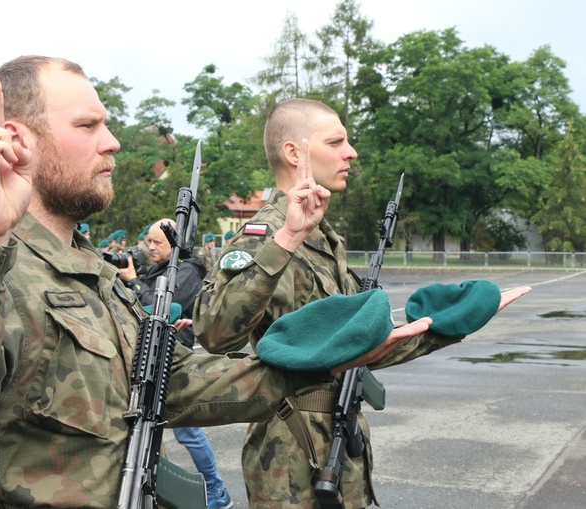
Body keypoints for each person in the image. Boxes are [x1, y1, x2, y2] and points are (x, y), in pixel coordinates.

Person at [0, 56, 433, 508]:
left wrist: (325, 363)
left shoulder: (91, 269)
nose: (111, 141)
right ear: (18, 139)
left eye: (106, 123)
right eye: (88, 125)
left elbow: (171, 383)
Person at [192, 98, 531, 508]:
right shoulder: (264, 237)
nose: (350, 152)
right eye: (336, 142)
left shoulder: (325, 239)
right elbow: (213, 331)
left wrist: (451, 322)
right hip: (289, 454)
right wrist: (284, 243)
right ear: (294, 153)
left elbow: (363, 345)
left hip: (340, 442)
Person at [119, 218, 232, 508]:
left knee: (188, 432)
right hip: (152, 355)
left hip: (174, 355)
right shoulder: (160, 268)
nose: (150, 247)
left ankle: (217, 492)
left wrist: (132, 281)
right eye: (149, 241)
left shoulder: (187, 270)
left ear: (175, 243)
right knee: (152, 429)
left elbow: (163, 310)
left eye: (158, 242)